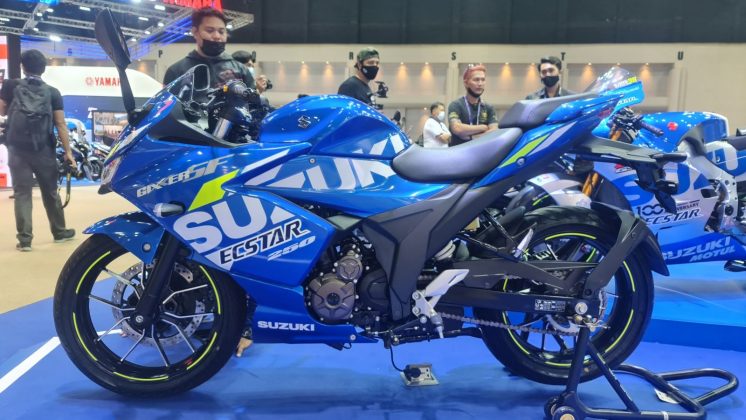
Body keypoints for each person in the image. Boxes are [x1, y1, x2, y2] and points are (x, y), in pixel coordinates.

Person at [0, 49, 76, 252]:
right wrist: (68, 152)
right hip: (43, 149)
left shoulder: (10, 86)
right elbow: (60, 124)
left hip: (17, 149)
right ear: (43, 68)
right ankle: (59, 232)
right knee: (50, 192)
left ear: (23, 66)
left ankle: (25, 240)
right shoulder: (53, 92)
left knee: (22, 193)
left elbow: (1, 110)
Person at [164, 8, 254, 89]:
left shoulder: (241, 70)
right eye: (209, 31)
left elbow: (252, 101)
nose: (217, 36)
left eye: (221, 32)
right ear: (195, 32)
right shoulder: (176, 71)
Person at [447, 64, 498, 146]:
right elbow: (457, 128)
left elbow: (494, 131)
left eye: (483, 80)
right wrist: (483, 127)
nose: (480, 83)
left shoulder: (488, 107)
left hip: (481, 152)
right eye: (476, 80)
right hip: (458, 152)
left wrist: (472, 137)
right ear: (466, 83)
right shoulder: (456, 105)